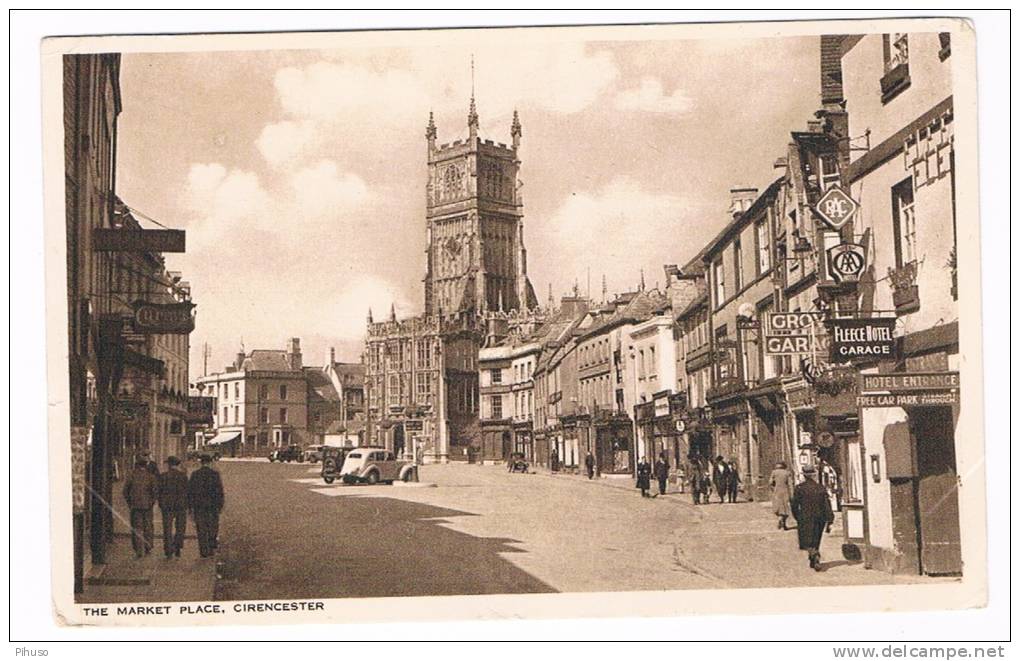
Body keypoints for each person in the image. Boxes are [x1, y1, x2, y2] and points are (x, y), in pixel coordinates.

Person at [792, 465, 835, 570]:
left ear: (804, 476)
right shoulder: (820, 488)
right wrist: (830, 519)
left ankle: (814, 554)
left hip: (804, 517)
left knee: (806, 539)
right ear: (814, 475)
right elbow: (826, 504)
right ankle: (814, 555)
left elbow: (794, 505)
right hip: (819, 517)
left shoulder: (799, 488)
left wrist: (797, 516)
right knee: (816, 538)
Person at [187, 454, 225, 558]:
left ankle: (203, 550)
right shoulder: (215, 474)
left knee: (201, 527)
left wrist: (190, 507)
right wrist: (220, 505)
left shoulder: (195, 474)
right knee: (212, 526)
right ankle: (211, 546)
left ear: (201, 462)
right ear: (210, 462)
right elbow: (219, 491)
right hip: (212, 506)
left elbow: (190, 491)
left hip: (199, 506)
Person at [122, 455, 158, 558]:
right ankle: (148, 546)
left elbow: (125, 491)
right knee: (148, 527)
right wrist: (152, 502)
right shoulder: (151, 476)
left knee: (137, 527)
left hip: (135, 506)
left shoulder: (131, 476)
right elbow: (155, 492)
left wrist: (130, 502)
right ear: (146, 465)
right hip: (147, 506)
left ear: (137, 465)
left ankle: (138, 549)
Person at [157, 455, 189, 558]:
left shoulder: (163, 476)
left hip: (167, 506)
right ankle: (178, 546)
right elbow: (187, 491)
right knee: (180, 528)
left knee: (167, 528)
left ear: (169, 465)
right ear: (178, 465)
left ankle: (168, 550)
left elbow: (159, 491)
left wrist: (160, 502)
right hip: (180, 505)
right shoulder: (183, 476)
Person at [769, 461, 794, 530]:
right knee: (785, 508)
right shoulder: (787, 473)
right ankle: (784, 524)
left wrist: (773, 489)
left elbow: (770, 482)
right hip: (785, 492)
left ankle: (780, 519)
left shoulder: (774, 472)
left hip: (777, 492)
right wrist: (792, 493)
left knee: (778, 507)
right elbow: (790, 484)